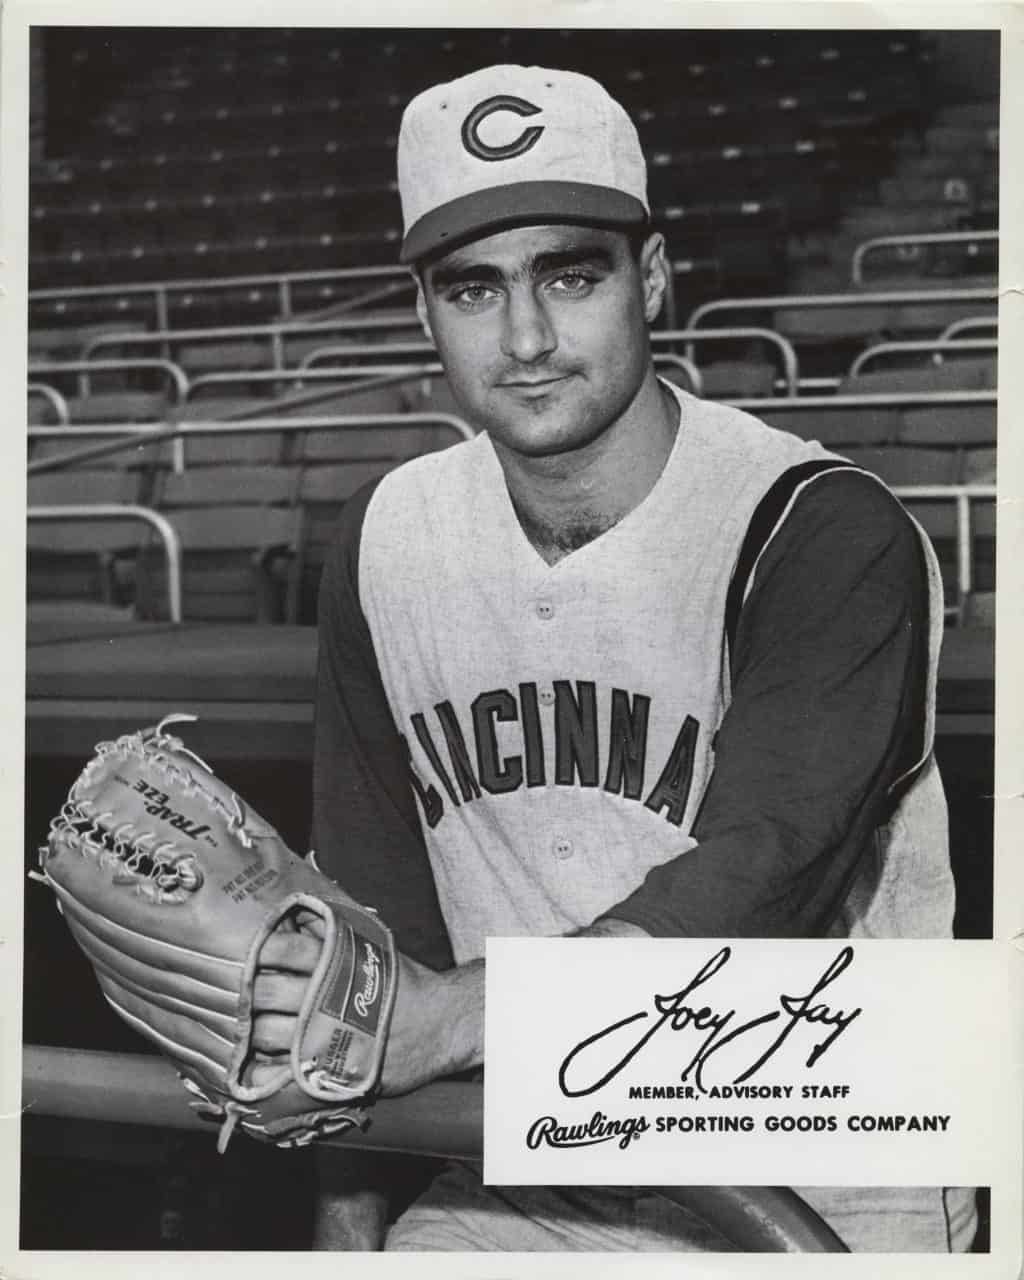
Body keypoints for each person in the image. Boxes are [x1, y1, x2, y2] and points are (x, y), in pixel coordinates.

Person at [254, 64, 976, 1252]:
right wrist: (348, 1203)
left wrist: (451, 1019)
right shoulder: (387, 534)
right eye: (473, 287)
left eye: (569, 274)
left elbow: (756, 878)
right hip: (518, 1168)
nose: (526, 337)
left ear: (650, 276)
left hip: (816, 1154)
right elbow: (377, 897)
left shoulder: (820, 526)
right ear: (423, 310)